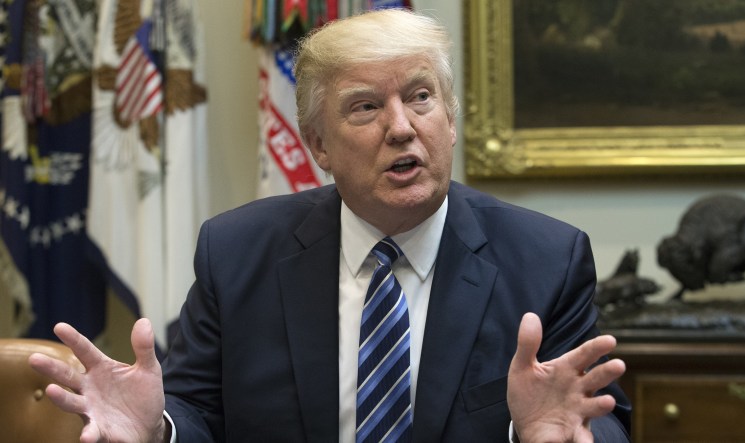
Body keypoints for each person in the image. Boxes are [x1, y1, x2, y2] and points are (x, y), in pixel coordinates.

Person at [29, 8, 631, 443]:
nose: (401, 127)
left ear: (450, 120)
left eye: (421, 98)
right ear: (317, 143)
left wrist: (544, 438)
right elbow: (195, 411)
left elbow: (597, 418)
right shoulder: (237, 252)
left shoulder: (548, 258)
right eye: (366, 106)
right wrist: (156, 431)